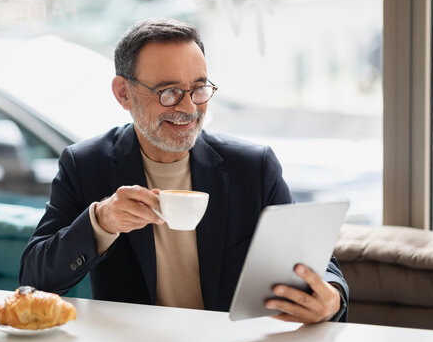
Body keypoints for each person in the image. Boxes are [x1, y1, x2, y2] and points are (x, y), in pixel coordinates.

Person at [19, 18, 349, 323]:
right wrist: (100, 221)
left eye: (199, 88)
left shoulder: (252, 167)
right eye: (169, 92)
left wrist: (332, 300)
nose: (189, 108)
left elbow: (319, 265)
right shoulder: (85, 164)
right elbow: (35, 278)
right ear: (124, 93)